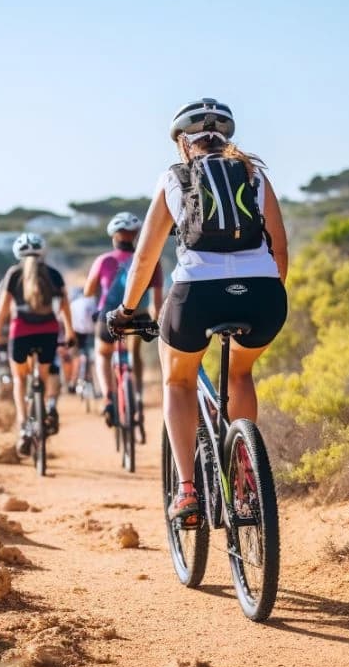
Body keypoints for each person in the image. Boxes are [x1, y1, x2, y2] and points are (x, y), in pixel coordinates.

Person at [106, 98, 289, 527]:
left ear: (184, 145)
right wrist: (263, 293)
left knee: (178, 379)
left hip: (195, 297)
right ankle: (245, 478)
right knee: (241, 374)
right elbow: (279, 249)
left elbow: (145, 258)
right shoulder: (254, 174)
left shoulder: (173, 177)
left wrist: (128, 310)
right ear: (226, 140)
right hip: (262, 296)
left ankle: (187, 491)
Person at [0, 232, 76, 455]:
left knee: (19, 379)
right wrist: (70, 332)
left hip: (21, 333)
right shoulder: (54, 274)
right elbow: (65, 305)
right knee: (44, 378)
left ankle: (23, 426)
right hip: (49, 331)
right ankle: (45, 409)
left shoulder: (14, 273)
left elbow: (4, 308)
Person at [84, 212, 163, 426]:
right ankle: (137, 398)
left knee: (103, 354)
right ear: (136, 236)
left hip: (108, 316)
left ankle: (108, 398)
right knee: (135, 354)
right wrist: (155, 321)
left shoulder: (104, 260)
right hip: (139, 317)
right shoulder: (151, 260)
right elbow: (156, 302)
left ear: (113, 237)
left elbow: (88, 291)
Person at [65, 285, 96, 393]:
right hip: (91, 332)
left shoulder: (73, 304)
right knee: (92, 358)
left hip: (77, 332)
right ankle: (95, 384)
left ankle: (73, 383)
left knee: (77, 358)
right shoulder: (92, 302)